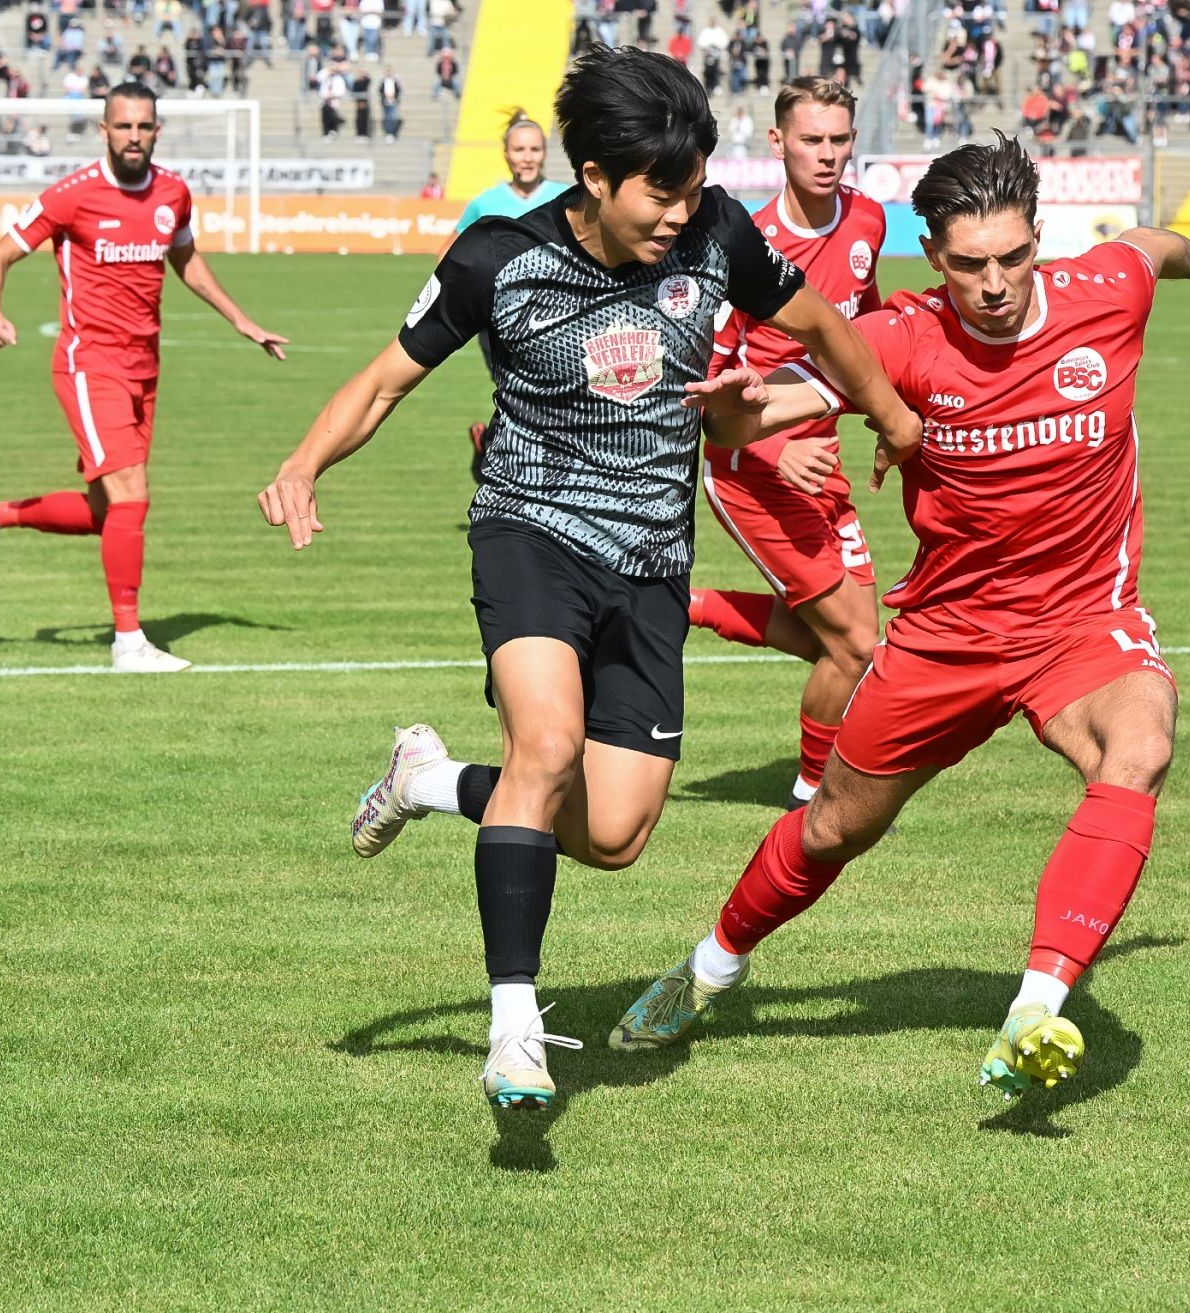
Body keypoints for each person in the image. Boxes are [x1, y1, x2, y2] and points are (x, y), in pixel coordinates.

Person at [256, 45, 919, 1111]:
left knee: (612, 834)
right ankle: (514, 1029)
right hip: (529, 533)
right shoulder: (499, 257)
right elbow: (383, 382)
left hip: (653, 562)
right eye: (661, 193)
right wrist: (301, 465)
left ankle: (428, 779)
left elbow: (823, 326)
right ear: (596, 177)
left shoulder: (718, 233)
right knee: (547, 746)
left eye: (694, 188)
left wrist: (891, 417)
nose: (680, 213)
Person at [608, 136, 1190, 1104]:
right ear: (931, 254)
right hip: (947, 637)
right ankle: (709, 966)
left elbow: (1150, 246)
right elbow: (763, 411)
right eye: (968, 264)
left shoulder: (1106, 291)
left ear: (1039, 238)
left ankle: (1035, 1009)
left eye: (1012, 257)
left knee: (1140, 746)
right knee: (832, 828)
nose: (994, 284)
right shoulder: (897, 339)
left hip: (1083, 622)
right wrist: (736, 412)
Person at [0, 84, 288, 673]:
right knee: (133, 494)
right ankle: (129, 643)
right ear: (103, 131)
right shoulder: (71, 195)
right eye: (123, 126)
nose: (134, 136)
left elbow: (186, 259)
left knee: (108, 512)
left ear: (157, 131)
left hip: (144, 368)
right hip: (89, 365)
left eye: (143, 126)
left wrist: (241, 320)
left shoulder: (172, 192)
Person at [689, 76, 886, 813]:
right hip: (748, 469)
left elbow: (865, 329)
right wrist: (776, 452)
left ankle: (689, 605)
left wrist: (885, 412)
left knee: (840, 643)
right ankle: (812, 794)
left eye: (839, 139)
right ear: (777, 143)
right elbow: (706, 397)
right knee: (856, 644)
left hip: (822, 465)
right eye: (811, 140)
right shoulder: (749, 247)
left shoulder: (867, 220)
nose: (827, 154)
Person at [450, 110, 573, 482]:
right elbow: (451, 256)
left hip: (558, 316)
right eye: (520, 149)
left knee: (558, 397)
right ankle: (517, 470)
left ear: (545, 152)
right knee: (521, 393)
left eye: (534, 149)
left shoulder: (565, 198)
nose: (527, 157)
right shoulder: (485, 204)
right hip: (498, 321)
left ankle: (492, 449)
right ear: (506, 153)